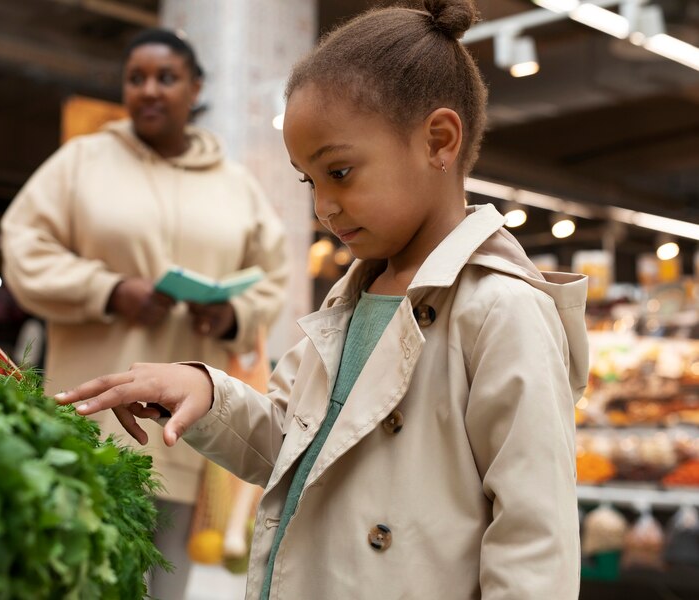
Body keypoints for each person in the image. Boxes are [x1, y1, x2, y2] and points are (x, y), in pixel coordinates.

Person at [56, 1, 589, 598]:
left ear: (439, 140)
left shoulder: (502, 309)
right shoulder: (351, 295)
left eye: (339, 172)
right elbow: (292, 444)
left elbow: (535, 544)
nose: (322, 207)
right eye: (309, 180)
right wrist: (206, 393)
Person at [0, 28, 288, 599]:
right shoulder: (81, 162)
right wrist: (108, 290)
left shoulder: (236, 186)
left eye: (166, 77)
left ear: (195, 87)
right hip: (89, 415)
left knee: (164, 589)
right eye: (136, 78)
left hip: (182, 429)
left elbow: (274, 278)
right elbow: (22, 247)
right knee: (73, 579)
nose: (149, 90)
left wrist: (230, 314)